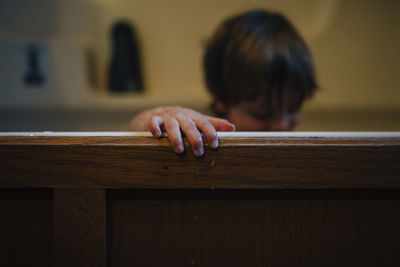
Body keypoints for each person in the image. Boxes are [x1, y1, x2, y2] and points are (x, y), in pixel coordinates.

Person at [130, 9, 318, 156]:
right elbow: (134, 128)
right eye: (262, 113)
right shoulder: (205, 137)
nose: (282, 126)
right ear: (221, 98)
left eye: (293, 108)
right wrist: (160, 118)